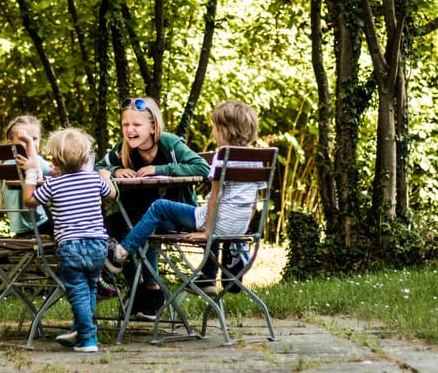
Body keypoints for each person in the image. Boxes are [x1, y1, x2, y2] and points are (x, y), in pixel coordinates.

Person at [103, 100, 263, 297]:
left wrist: (207, 233)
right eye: (126, 125)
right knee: (141, 218)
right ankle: (209, 274)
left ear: (224, 129)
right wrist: (116, 170)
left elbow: (214, 196)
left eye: (213, 128)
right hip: (239, 229)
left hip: (213, 226)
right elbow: (254, 200)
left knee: (158, 207)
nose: (212, 133)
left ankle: (121, 253)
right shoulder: (257, 158)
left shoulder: (223, 155)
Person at [94, 97, 210, 320]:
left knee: (139, 225)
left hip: (174, 216)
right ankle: (137, 288)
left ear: (153, 126)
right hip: (137, 213)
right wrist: (116, 170)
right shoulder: (124, 149)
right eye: (126, 125)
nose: (130, 130)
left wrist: (159, 169)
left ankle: (154, 291)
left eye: (137, 125)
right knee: (107, 226)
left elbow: (203, 168)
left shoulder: (170, 144)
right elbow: (98, 166)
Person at [0, 115, 117, 299]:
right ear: (9, 143)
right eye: (24, 139)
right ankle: (104, 257)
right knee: (76, 222)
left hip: (35, 224)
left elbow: (58, 171)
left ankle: (97, 269)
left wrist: (62, 167)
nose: (31, 144)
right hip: (34, 225)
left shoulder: (35, 161)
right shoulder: (15, 162)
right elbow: (36, 168)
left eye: (34, 139)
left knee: (72, 214)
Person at [23, 127, 117, 353]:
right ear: (86, 159)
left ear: (54, 162)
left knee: (77, 291)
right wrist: (107, 176)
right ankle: (81, 330)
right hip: (97, 245)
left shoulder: (53, 184)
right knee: (91, 287)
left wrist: (30, 173)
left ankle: (87, 338)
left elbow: (29, 200)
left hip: (70, 246)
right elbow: (111, 194)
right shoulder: (95, 179)